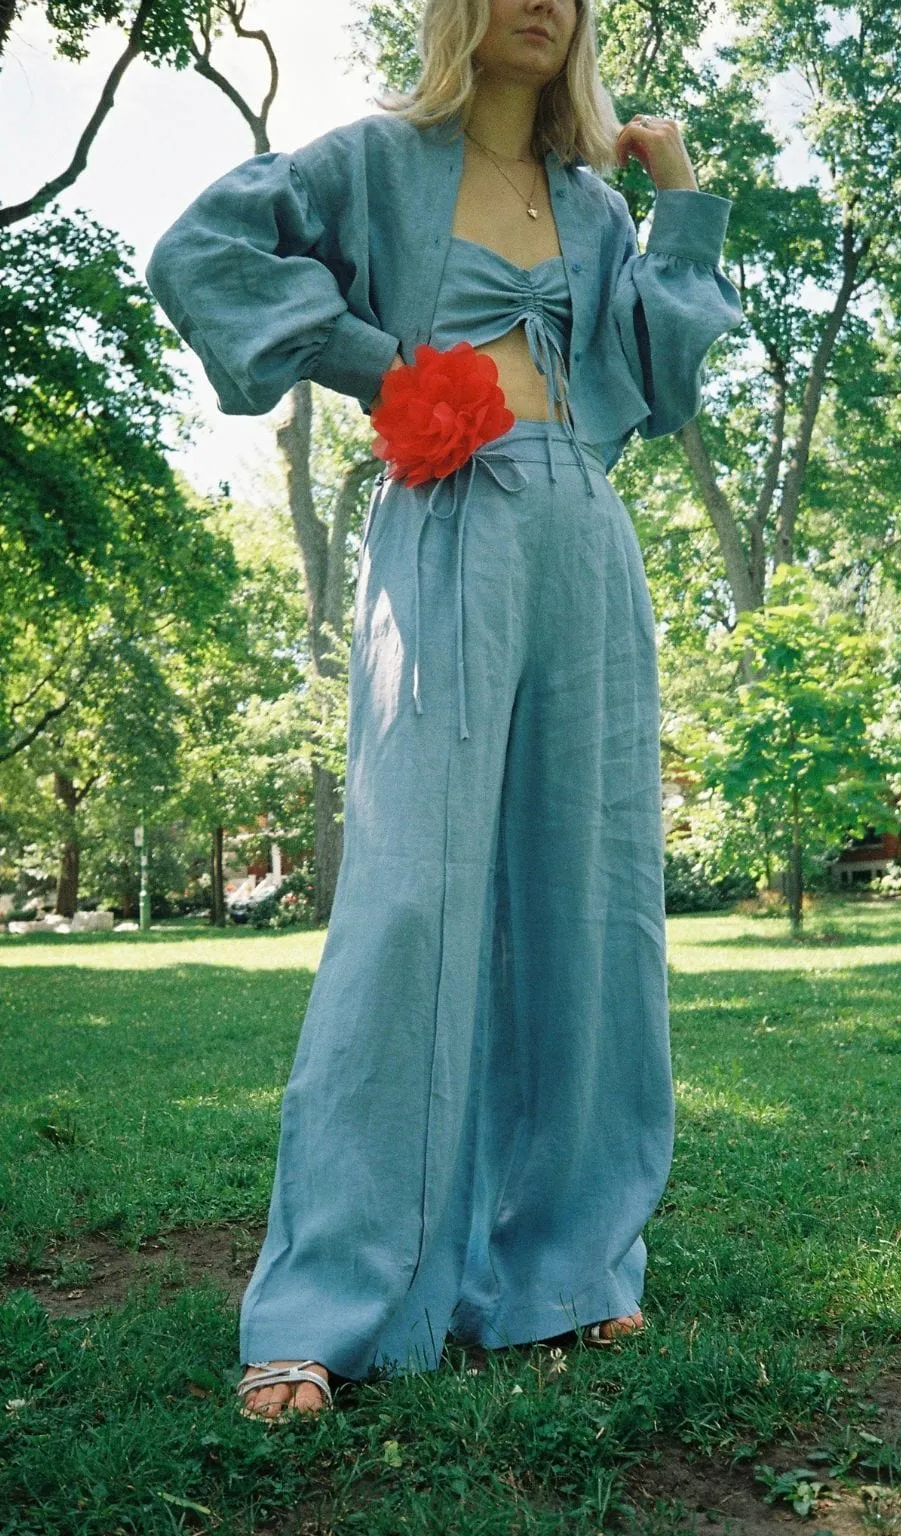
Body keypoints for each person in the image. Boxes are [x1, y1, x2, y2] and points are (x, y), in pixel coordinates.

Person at [146, 0, 743, 1420]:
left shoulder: (596, 209)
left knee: (595, 895)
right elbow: (200, 253)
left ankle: (566, 1271)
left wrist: (685, 205)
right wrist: (382, 366)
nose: (544, 1)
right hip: (448, 521)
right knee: (411, 897)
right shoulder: (371, 164)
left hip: (585, 536)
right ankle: (330, 1305)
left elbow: (659, 383)